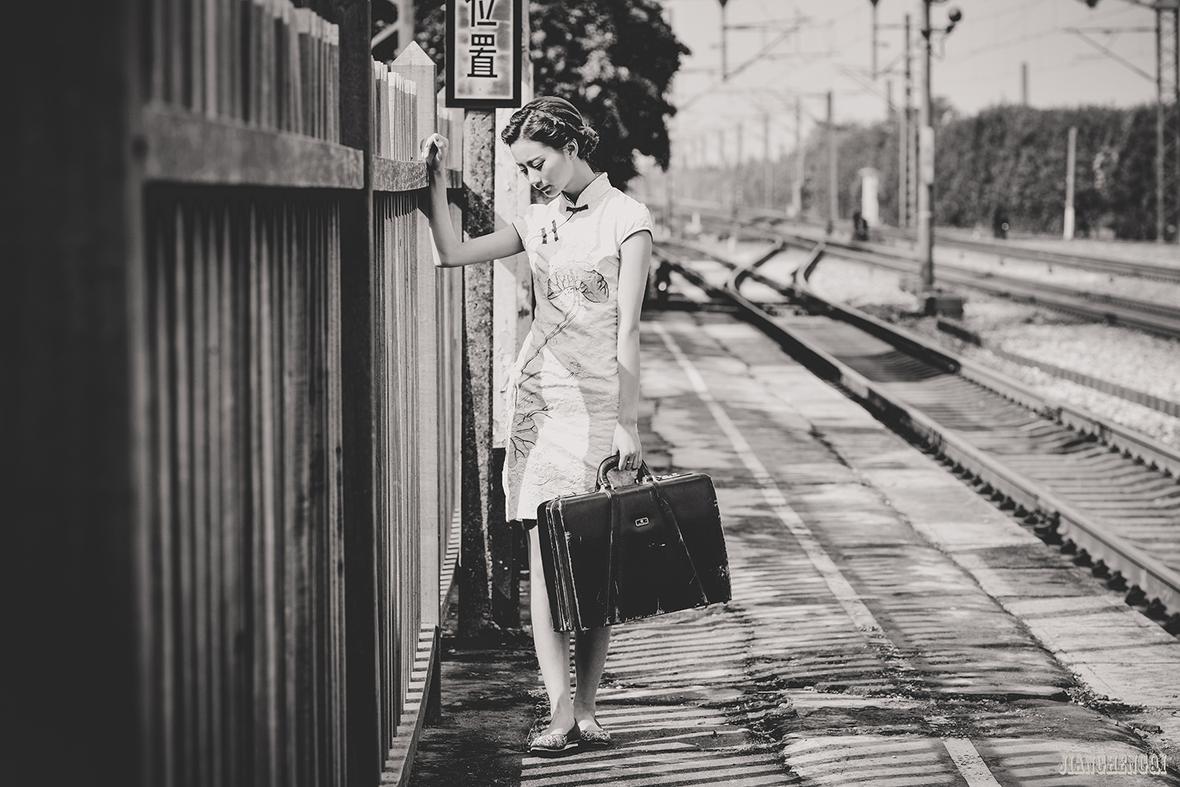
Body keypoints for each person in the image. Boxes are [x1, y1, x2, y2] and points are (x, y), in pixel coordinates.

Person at [418, 96, 654, 756]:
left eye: (537, 163)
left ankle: (588, 707)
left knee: (596, 566)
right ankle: (558, 711)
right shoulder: (537, 220)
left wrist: (627, 424)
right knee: (547, 564)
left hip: (600, 410)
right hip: (540, 411)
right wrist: (432, 185)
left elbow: (629, 330)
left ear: (571, 146)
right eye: (523, 168)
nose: (531, 177)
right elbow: (451, 252)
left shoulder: (627, 219)